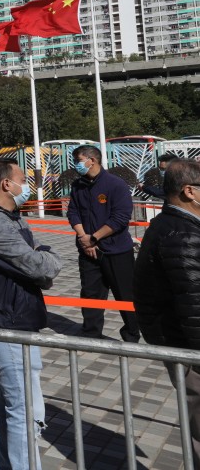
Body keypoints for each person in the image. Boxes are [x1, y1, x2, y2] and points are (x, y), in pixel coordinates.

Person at [0, 159, 63, 470]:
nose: (27, 186)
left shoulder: (12, 218)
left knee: (12, 404)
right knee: (24, 407)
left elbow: (38, 265)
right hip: (5, 317)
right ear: (7, 184)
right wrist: (44, 260)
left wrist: (42, 261)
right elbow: (39, 264)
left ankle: (3, 464)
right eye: (22, 178)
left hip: (22, 314)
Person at [134, 158, 200, 466]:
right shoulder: (181, 234)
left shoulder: (176, 225)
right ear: (190, 191)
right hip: (190, 353)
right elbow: (195, 306)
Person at [67, 144, 140, 343]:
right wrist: (85, 239)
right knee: (90, 294)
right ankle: (91, 333)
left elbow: (120, 218)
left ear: (92, 160)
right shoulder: (78, 185)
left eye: (79, 160)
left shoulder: (115, 184)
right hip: (88, 251)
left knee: (125, 294)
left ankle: (132, 334)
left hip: (116, 250)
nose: (76, 165)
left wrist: (94, 238)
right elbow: (73, 212)